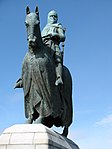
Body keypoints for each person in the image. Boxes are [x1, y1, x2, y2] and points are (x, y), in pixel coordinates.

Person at [41, 10, 66, 86]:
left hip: (54, 45)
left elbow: (63, 37)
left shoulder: (58, 26)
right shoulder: (44, 28)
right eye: (51, 16)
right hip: (43, 46)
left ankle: (59, 77)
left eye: (55, 16)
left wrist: (56, 35)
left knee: (58, 59)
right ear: (48, 17)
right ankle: (23, 78)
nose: (53, 18)